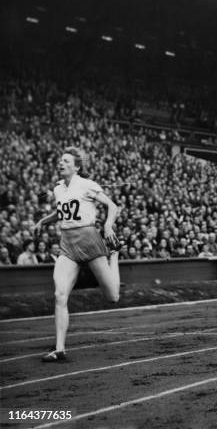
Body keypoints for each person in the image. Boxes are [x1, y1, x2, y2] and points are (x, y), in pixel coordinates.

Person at [33, 147, 122, 362]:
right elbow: (61, 212)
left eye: (66, 161)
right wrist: (43, 221)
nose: (61, 163)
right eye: (60, 160)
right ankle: (60, 348)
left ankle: (115, 255)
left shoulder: (87, 185)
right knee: (59, 295)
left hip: (89, 240)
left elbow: (113, 206)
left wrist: (108, 226)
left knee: (112, 297)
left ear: (76, 166)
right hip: (67, 244)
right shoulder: (58, 189)